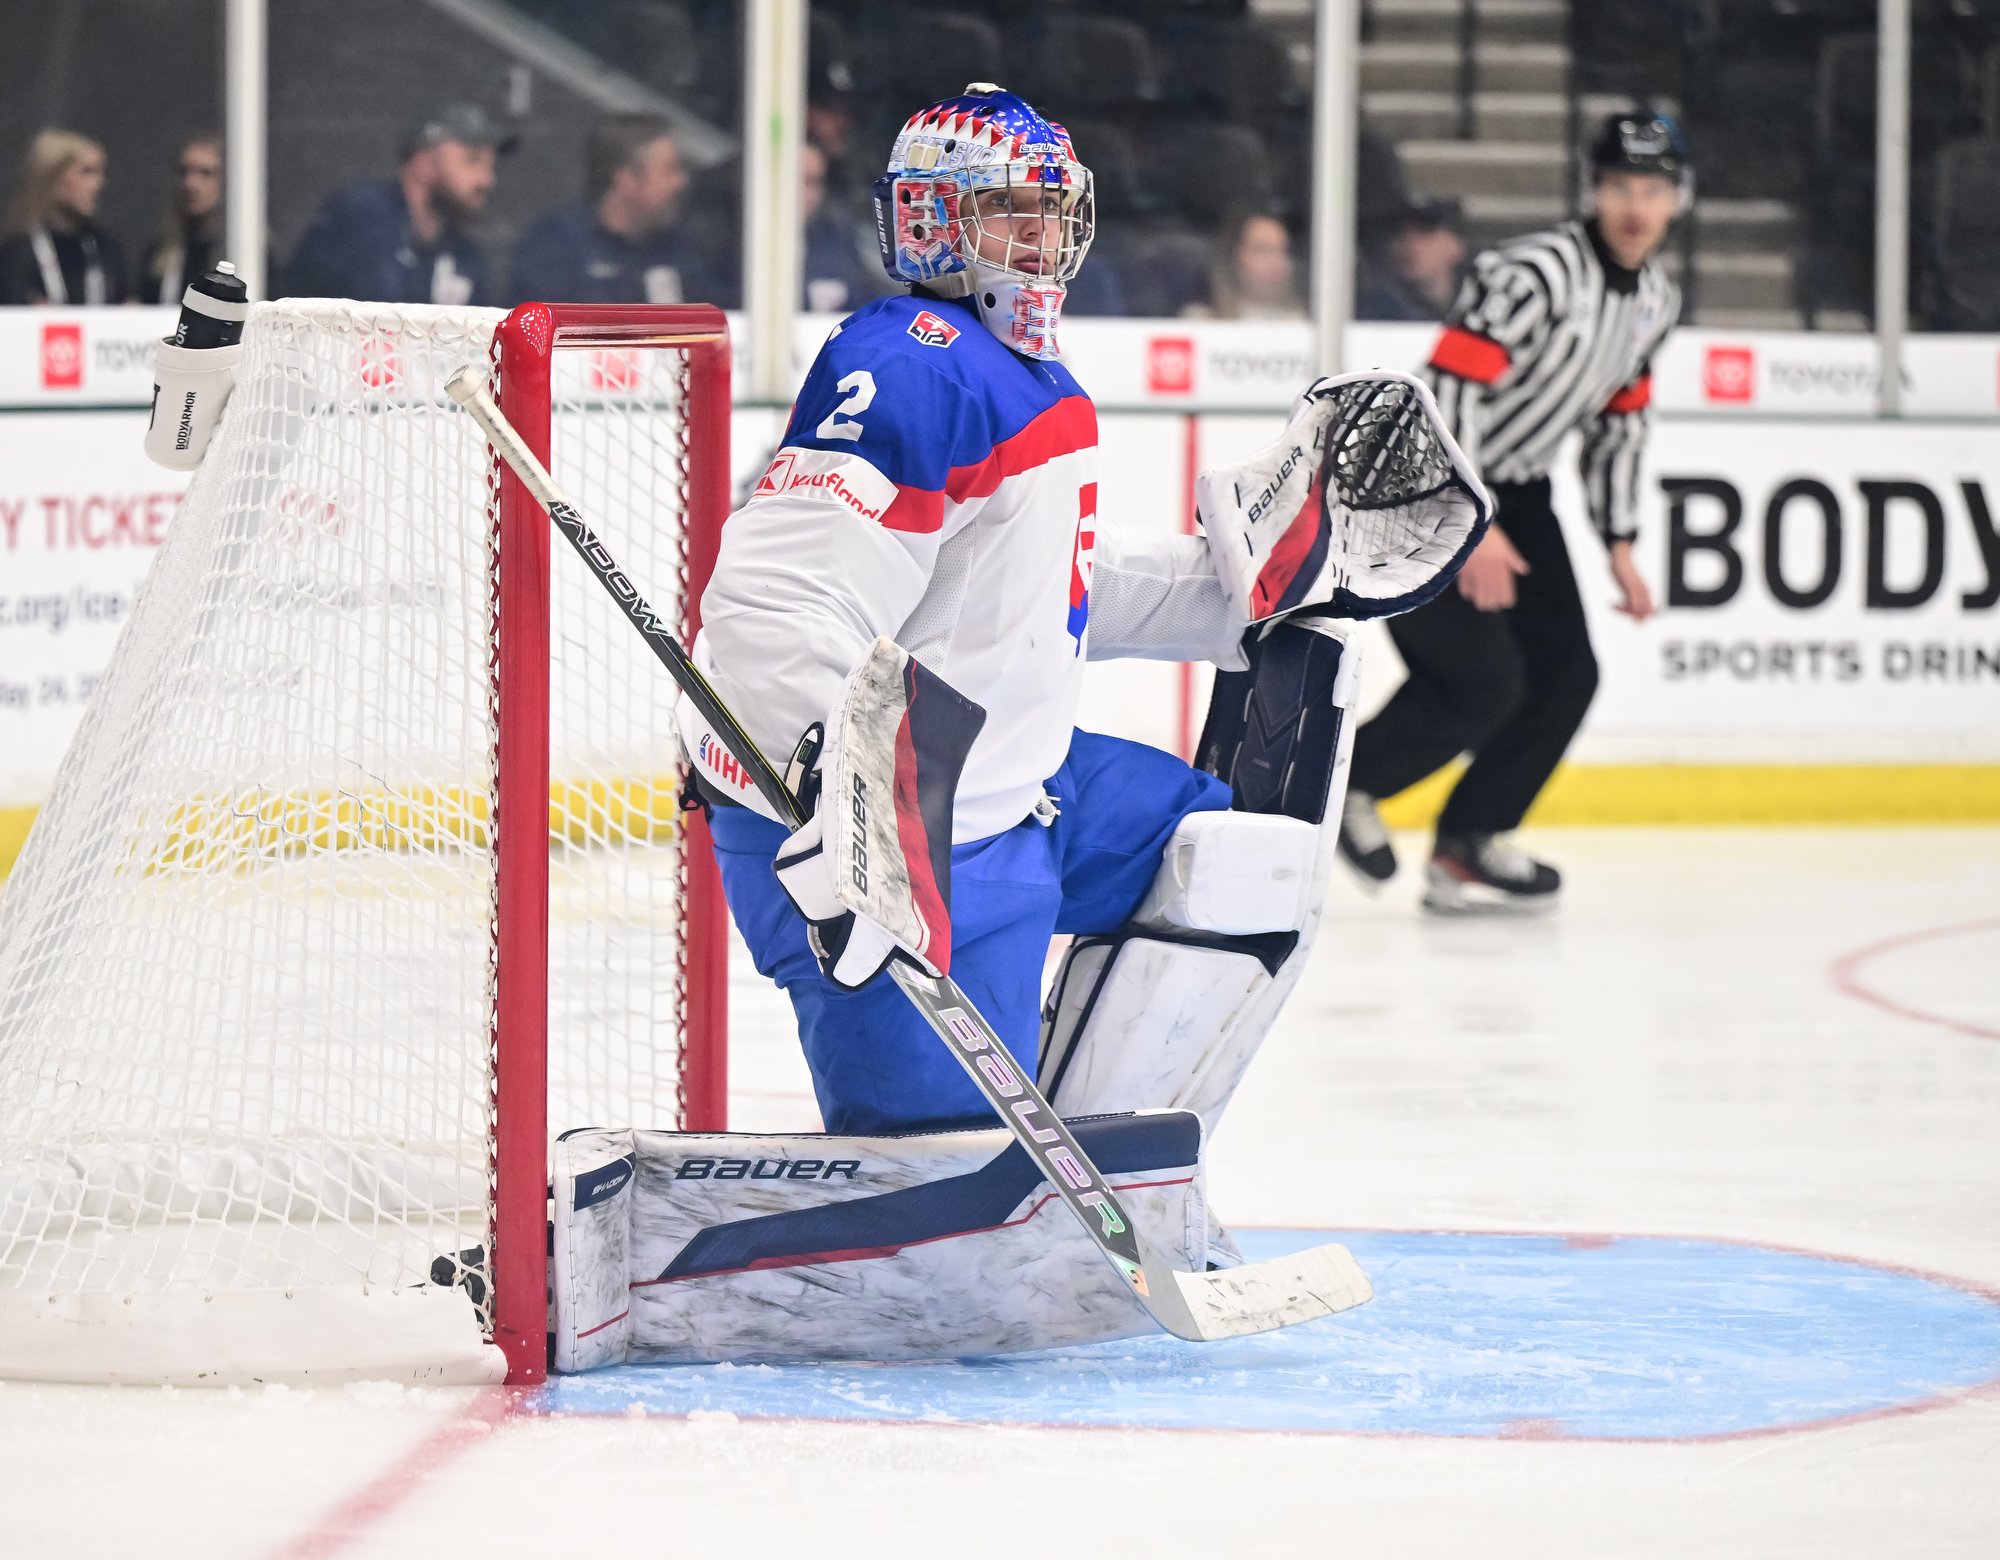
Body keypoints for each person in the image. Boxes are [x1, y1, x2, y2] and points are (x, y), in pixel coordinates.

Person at [683, 81, 1474, 1150]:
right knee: (936, 1164)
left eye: (1054, 209)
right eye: (1011, 208)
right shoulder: (905, 366)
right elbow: (777, 604)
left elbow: (1037, 587)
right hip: (893, 842)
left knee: (1241, 863)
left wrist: (1236, 592)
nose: (1044, 236)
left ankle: (1091, 1143)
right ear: (931, 220)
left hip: (1022, 783)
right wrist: (846, 801)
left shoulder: (1028, 374)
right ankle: (984, 1175)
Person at [1337, 113, 1687, 913]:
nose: (1636, 206)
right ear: (1593, 191)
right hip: (1420, 483)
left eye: (1653, 190)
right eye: (1621, 187)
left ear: (1677, 201)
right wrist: (1475, 521)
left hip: (1517, 495)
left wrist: (1620, 543)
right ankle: (1347, 785)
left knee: (1566, 678)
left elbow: (1621, 419)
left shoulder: (1654, 302)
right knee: (1481, 681)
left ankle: (1469, 843)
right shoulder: (1533, 274)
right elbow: (1450, 390)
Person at [282, 104, 509, 306]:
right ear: (423, 162)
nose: (487, 180)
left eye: (490, 166)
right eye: (472, 160)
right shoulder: (361, 219)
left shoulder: (464, 253)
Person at [508, 113, 701, 306]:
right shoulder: (556, 245)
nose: (681, 182)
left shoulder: (682, 247)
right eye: (669, 170)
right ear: (627, 180)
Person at [0, 129, 127, 305]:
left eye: (101, 173)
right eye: (87, 172)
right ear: (53, 176)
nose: (98, 184)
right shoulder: (17, 256)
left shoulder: (106, 251)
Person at [136, 134, 223, 305]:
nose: (190, 184)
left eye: (205, 173)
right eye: (184, 172)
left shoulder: (248, 254)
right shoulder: (159, 256)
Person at [1182, 207, 1303, 320]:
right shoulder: (1200, 322)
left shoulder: (1301, 323)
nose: (1277, 264)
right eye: (1262, 250)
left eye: (1284, 251)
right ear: (1232, 258)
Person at [1357, 198, 1466, 322]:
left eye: (1425, 231)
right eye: (1399, 231)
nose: (1409, 242)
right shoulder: (1374, 311)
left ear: (1455, 245)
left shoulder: (1475, 312)